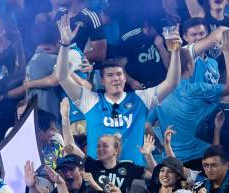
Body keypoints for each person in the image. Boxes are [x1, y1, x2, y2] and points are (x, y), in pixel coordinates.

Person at [56, 13, 182, 166]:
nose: (115, 78)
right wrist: (64, 45)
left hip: (133, 175)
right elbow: (62, 77)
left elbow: (172, 82)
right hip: (97, 176)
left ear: (124, 78)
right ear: (102, 81)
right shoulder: (90, 100)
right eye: (110, 75)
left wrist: (175, 52)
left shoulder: (140, 98)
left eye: (119, 74)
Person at [148, 32, 229, 170]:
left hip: (172, 161)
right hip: (201, 159)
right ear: (190, 66)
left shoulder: (157, 94)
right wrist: (228, 53)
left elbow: (147, 126)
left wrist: (162, 145)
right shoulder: (197, 89)